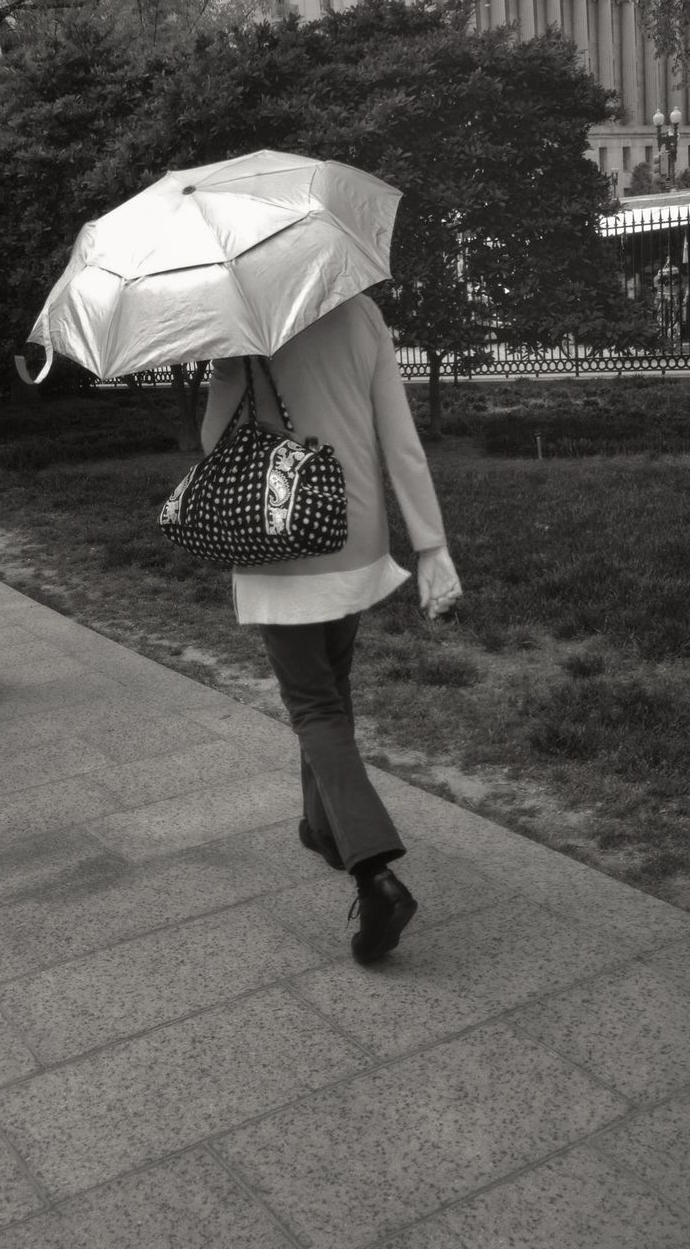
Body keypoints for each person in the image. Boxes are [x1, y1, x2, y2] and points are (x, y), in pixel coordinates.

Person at [201, 294, 462, 964]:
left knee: (313, 703)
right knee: (331, 688)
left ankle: (373, 871)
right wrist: (431, 544)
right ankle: (323, 826)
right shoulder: (362, 313)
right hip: (353, 529)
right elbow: (399, 438)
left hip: (279, 538)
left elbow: (212, 441)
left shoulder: (244, 323)